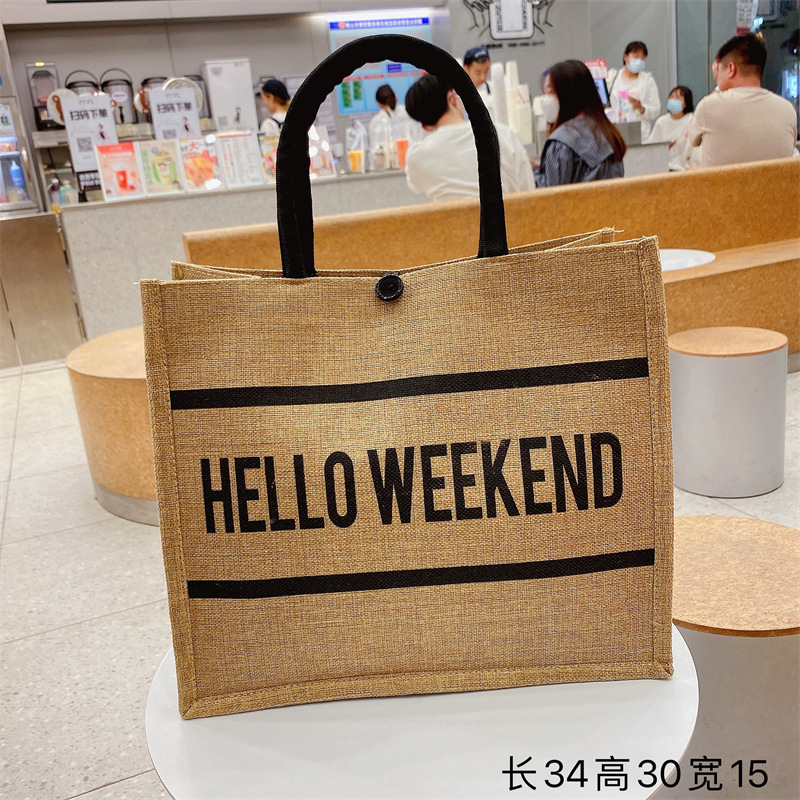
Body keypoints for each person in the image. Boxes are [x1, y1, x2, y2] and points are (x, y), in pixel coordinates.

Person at [404, 74, 534, 202]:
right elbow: (529, 192)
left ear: (424, 126)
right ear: (452, 98)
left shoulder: (416, 156)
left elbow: (415, 186)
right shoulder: (503, 135)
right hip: (505, 215)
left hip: (452, 217)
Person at [688, 34, 797, 168]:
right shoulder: (787, 109)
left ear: (731, 68)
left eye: (718, 70)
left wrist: (718, 87)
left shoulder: (709, 106)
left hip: (722, 183)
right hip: (777, 183)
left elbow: (692, 140)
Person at [535, 59, 626, 188]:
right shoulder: (608, 132)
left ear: (567, 93)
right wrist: (547, 168)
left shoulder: (561, 142)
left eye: (549, 92)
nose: (545, 100)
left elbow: (551, 193)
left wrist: (529, 172)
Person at [606, 41, 661, 139]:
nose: (639, 61)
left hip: (639, 133)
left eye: (642, 58)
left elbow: (656, 110)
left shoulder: (647, 81)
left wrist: (641, 108)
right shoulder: (612, 77)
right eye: (636, 57)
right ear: (625, 57)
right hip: (615, 131)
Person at [646, 85, 696, 171]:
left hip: (685, 168)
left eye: (677, 97)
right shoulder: (661, 122)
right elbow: (652, 148)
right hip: (663, 167)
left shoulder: (692, 121)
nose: (673, 100)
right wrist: (664, 148)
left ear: (685, 103)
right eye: (671, 97)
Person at [463, 45, 493, 115]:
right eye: (477, 72)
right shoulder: (456, 95)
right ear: (466, 68)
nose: (483, 77)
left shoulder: (493, 88)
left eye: (486, 71)